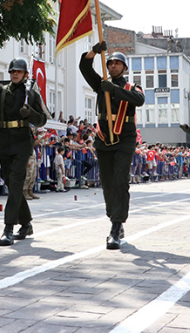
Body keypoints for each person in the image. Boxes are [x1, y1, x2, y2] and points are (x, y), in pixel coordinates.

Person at [0, 58, 47, 246]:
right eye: (12, 71)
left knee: (15, 183)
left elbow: (42, 120)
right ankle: (27, 223)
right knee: (11, 183)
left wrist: (30, 114)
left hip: (22, 142)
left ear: (25, 75)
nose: (15, 74)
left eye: (18, 72)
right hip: (5, 141)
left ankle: (8, 228)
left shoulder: (31, 94)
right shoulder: (3, 92)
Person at [79, 42, 145, 250]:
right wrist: (94, 51)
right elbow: (85, 68)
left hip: (125, 137)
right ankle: (113, 216)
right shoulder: (100, 84)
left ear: (125, 68)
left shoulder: (131, 87)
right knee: (107, 182)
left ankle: (116, 225)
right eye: (111, 63)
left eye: (118, 64)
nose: (114, 66)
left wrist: (114, 90)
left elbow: (139, 99)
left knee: (120, 179)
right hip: (104, 138)